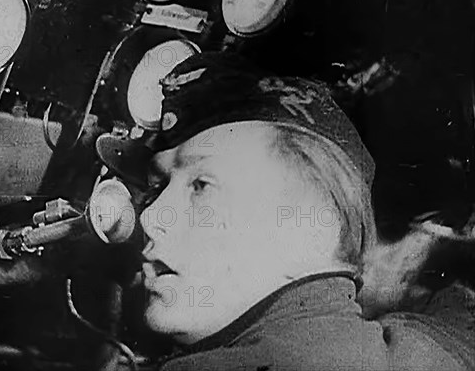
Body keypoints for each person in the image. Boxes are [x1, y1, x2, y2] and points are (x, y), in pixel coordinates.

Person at [102, 52, 475, 370]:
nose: (150, 218)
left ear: (314, 227)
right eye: (155, 189)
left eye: (202, 186)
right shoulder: (429, 347)